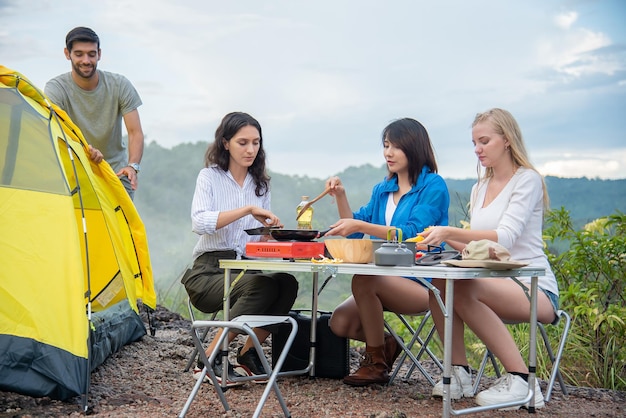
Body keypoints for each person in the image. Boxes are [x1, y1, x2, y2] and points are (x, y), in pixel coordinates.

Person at [419, 108, 559, 409]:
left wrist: (450, 230)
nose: (477, 149)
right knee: (439, 284)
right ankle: (458, 373)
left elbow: (505, 237)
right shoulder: (479, 187)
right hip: (493, 280)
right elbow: (480, 246)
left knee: (465, 288)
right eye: (474, 143)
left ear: (507, 140)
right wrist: (438, 237)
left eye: (484, 141)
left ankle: (524, 382)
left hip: (533, 286)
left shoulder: (528, 180)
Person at [323, 118, 450, 386]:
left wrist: (360, 224)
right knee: (339, 323)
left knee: (364, 278)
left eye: (395, 146)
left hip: (423, 283)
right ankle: (387, 344)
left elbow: (413, 233)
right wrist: (342, 197)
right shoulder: (383, 189)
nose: (388, 153)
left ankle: (376, 364)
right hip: (384, 281)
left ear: (414, 148)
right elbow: (355, 231)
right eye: (385, 145)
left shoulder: (433, 186)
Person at [181, 111, 299, 387]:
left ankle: (248, 355)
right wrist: (246, 209)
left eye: (256, 143)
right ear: (225, 143)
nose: (251, 149)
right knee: (260, 286)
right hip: (209, 270)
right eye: (243, 142)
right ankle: (209, 360)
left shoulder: (260, 184)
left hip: (246, 265)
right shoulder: (209, 177)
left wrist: (271, 234)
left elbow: (254, 243)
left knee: (286, 283)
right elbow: (199, 222)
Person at [45, 26, 144, 199]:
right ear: (67, 54)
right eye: (79, 54)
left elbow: (135, 132)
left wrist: (132, 166)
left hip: (116, 173)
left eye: (91, 54)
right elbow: (56, 134)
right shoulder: (56, 89)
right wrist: (84, 150)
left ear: (99, 54)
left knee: (123, 226)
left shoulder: (119, 84)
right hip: (75, 172)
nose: (86, 60)